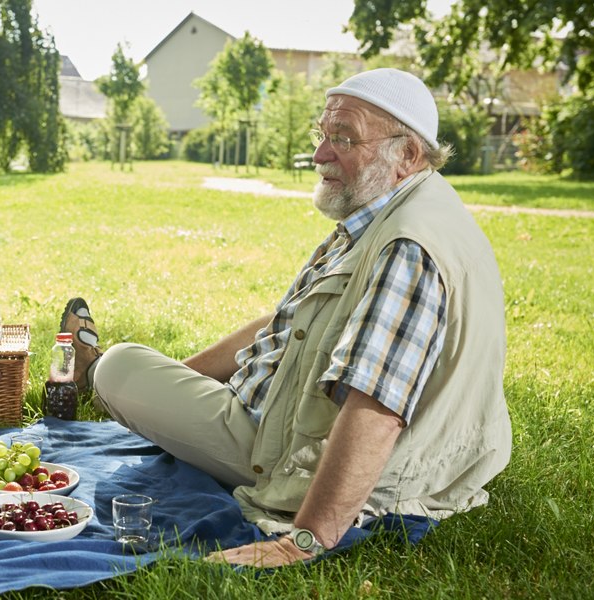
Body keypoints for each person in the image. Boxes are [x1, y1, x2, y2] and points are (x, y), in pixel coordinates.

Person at [64, 68, 511, 567]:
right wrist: (178, 382)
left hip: (288, 456)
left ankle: (94, 373)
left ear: (407, 153)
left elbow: (376, 409)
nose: (320, 154)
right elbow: (288, 320)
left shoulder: (406, 247)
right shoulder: (398, 211)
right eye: (322, 134)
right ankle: (139, 387)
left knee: (119, 366)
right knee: (141, 372)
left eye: (343, 138)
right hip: (280, 416)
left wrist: (304, 540)